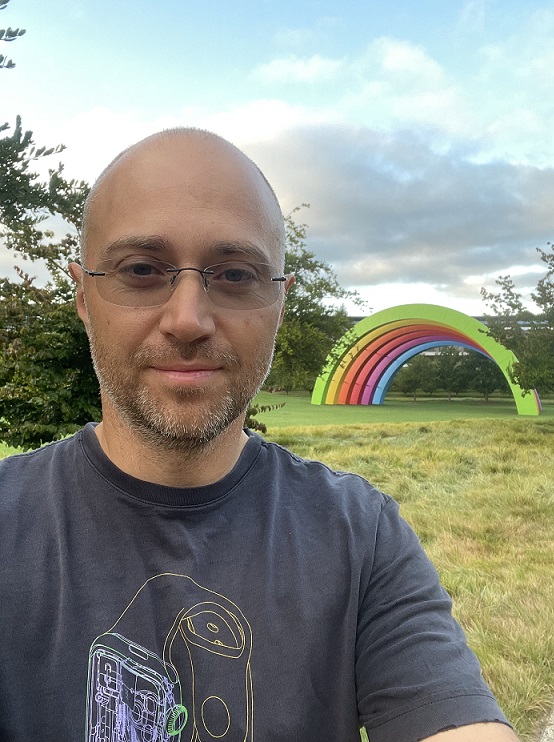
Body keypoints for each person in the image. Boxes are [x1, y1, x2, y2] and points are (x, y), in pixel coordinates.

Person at [0, 128, 520, 742]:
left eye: (237, 274)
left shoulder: (361, 535)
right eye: (141, 270)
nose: (188, 319)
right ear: (84, 294)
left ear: (279, 302)